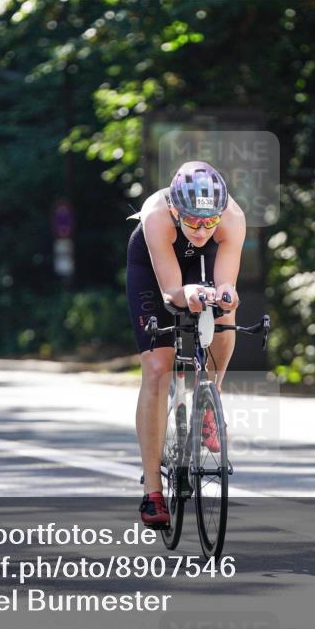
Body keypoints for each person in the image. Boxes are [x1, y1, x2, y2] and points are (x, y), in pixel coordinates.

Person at [125, 161, 245, 528]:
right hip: (154, 269)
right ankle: (152, 490)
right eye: (193, 221)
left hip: (203, 265)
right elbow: (171, 292)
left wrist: (225, 294)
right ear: (177, 210)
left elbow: (226, 283)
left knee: (223, 316)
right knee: (158, 367)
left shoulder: (231, 218)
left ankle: (212, 398)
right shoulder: (157, 216)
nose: (202, 229)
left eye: (210, 222)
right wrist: (185, 294)